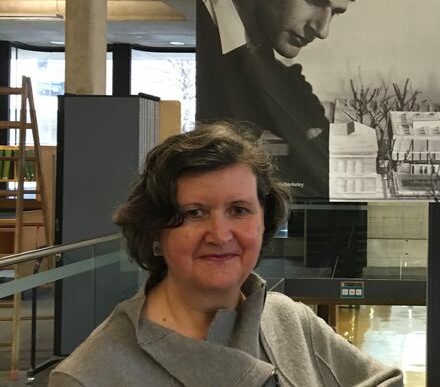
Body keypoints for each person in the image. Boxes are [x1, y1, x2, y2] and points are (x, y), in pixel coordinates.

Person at [50, 122, 403, 386]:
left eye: (239, 210)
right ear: (155, 232)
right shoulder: (90, 375)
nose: (220, 235)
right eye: (194, 213)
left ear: (264, 222)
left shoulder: (286, 319)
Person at [196, 0, 367, 201]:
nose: (322, 30)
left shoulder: (288, 83)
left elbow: (324, 179)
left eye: (335, 12)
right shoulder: (192, 28)